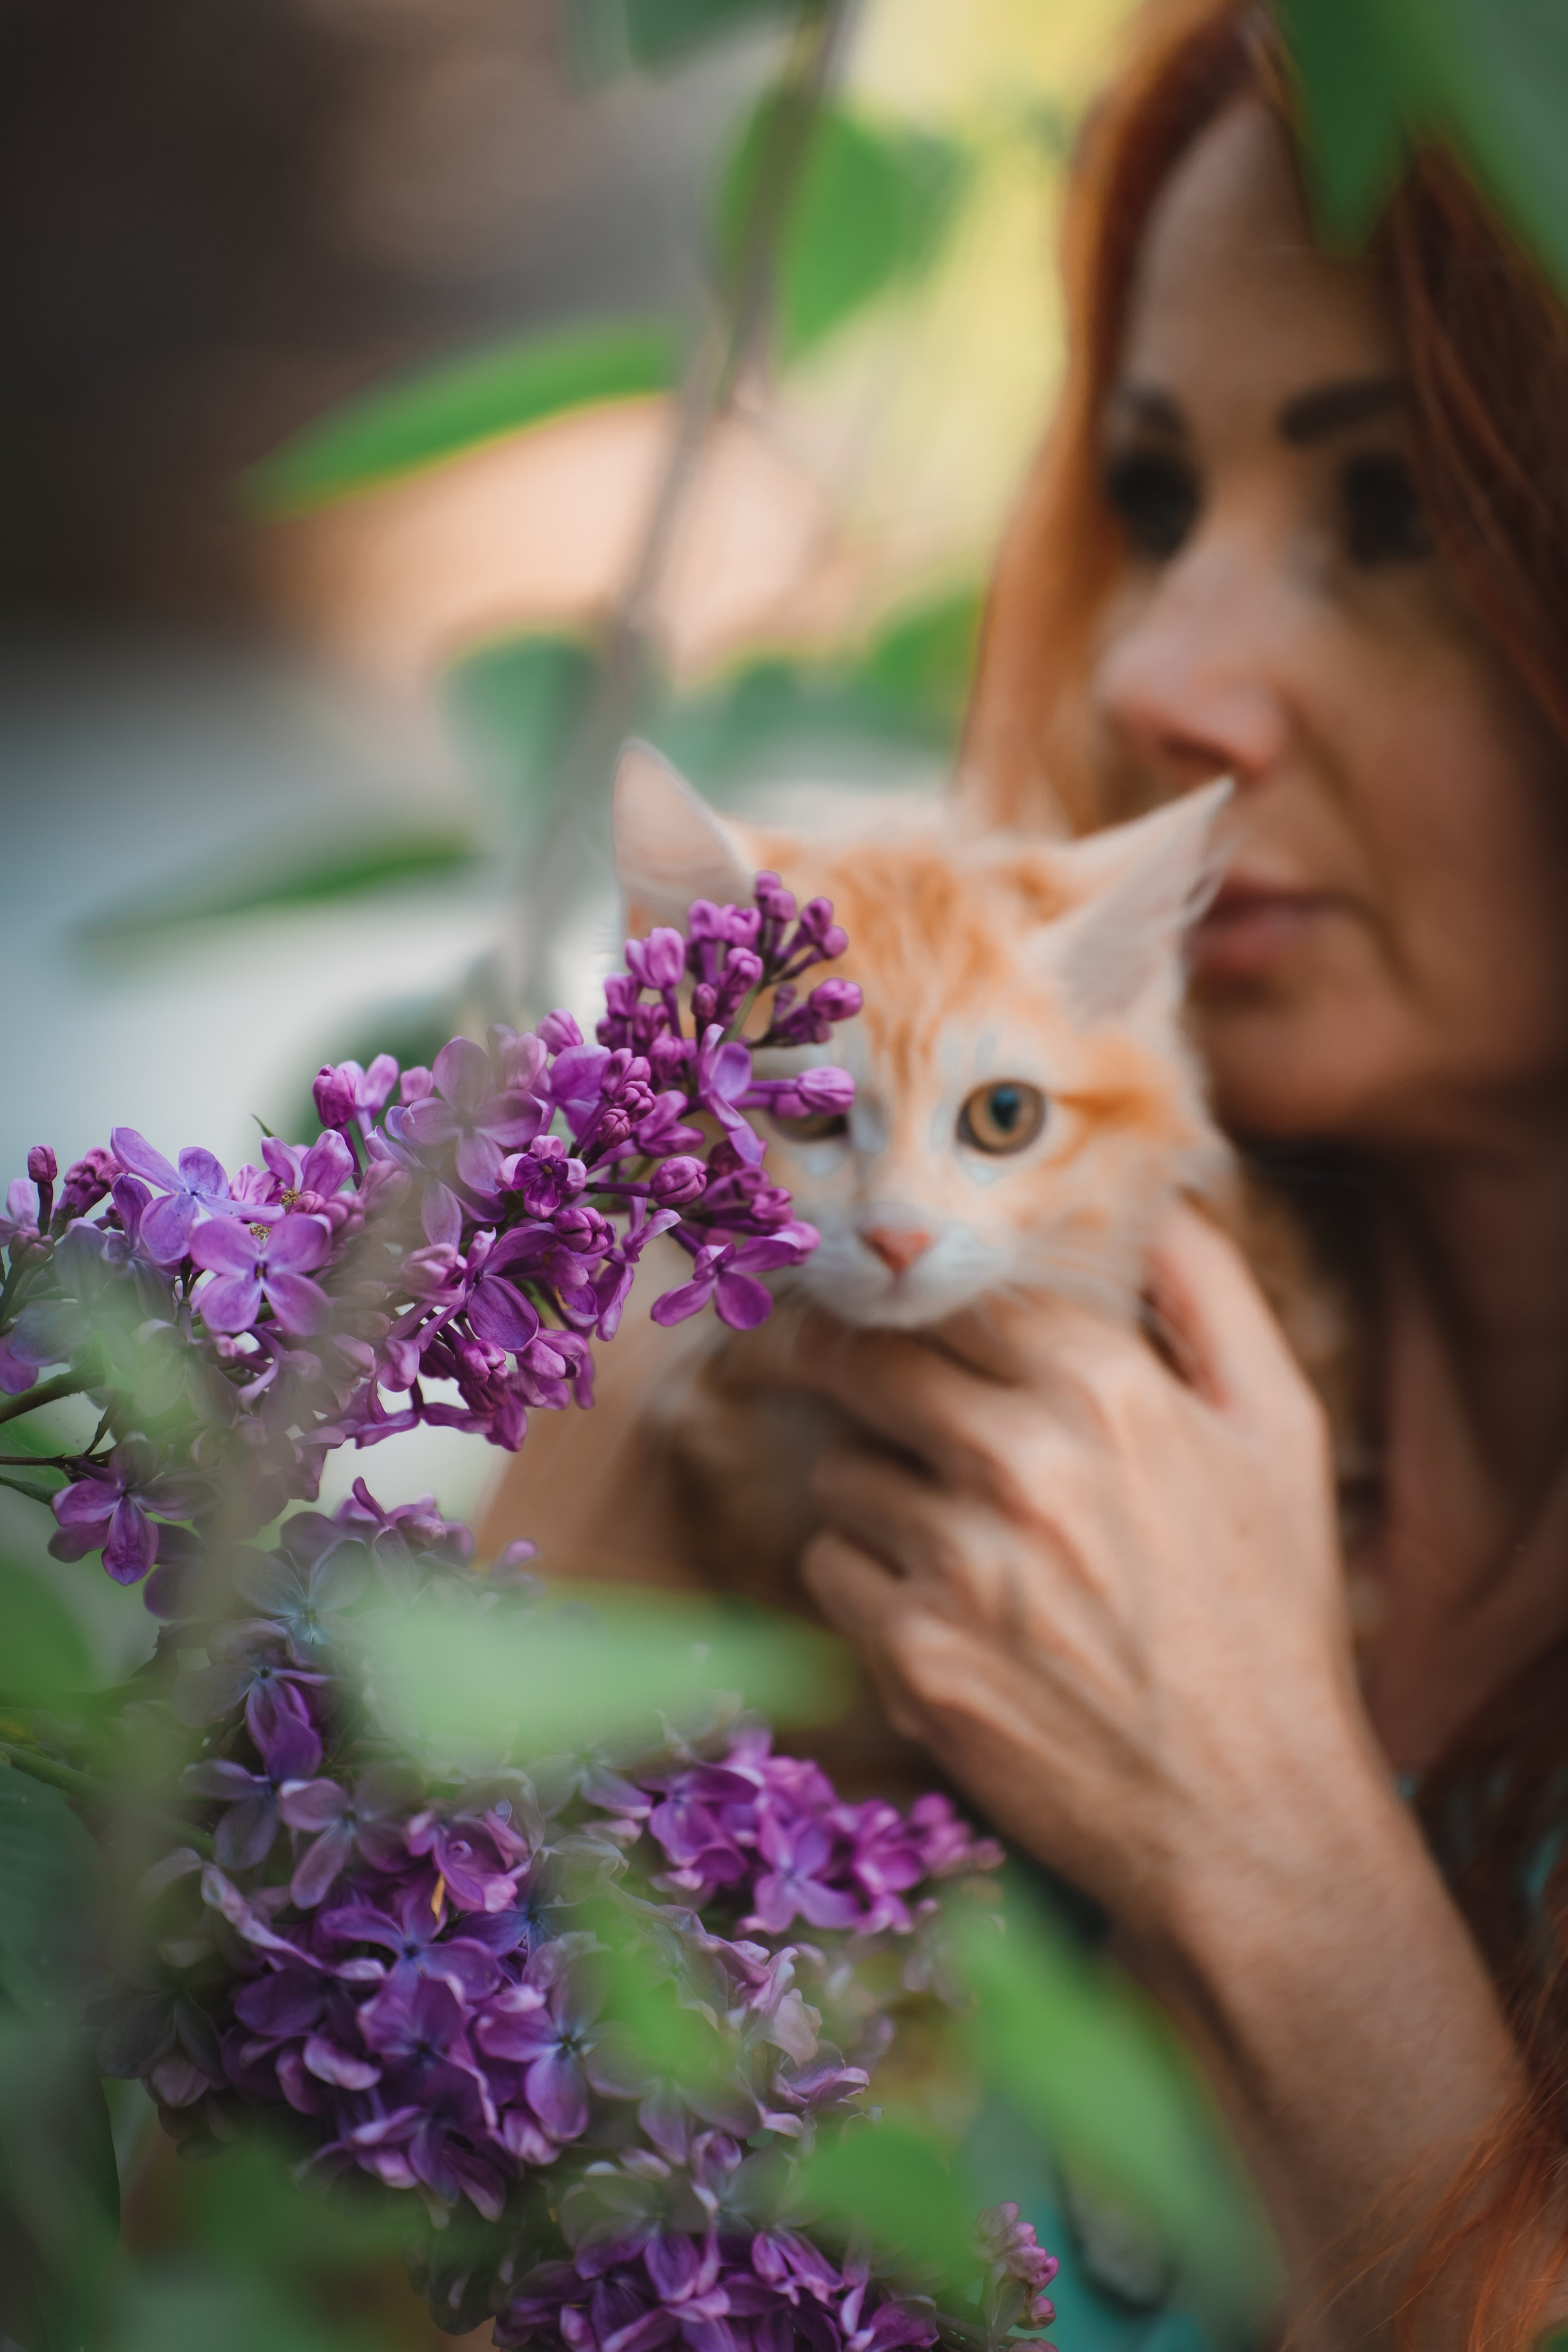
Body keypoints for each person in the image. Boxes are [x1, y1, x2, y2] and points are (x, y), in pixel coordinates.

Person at [486, 1, 1568, 2339]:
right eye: (1156, 499)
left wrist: (1269, 1848)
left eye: (1393, 512)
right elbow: (284, 2213)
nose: (1163, 664)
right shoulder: (744, 1369)